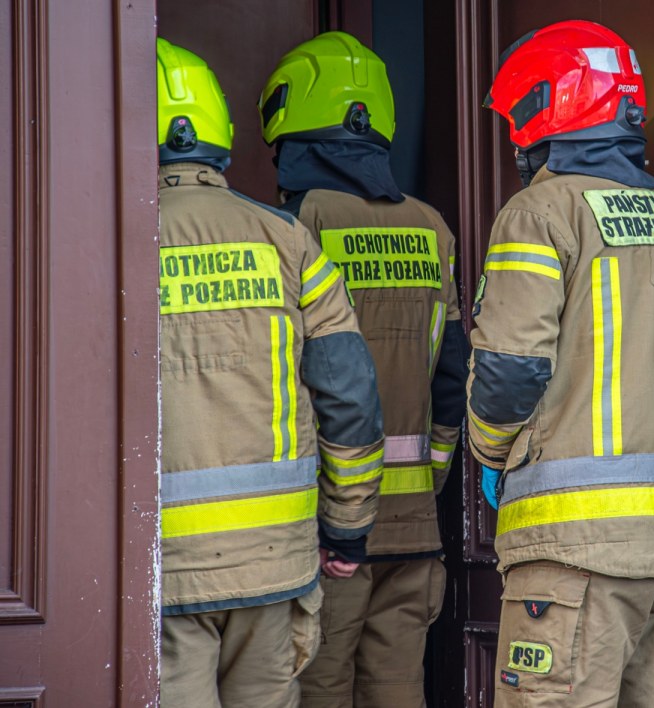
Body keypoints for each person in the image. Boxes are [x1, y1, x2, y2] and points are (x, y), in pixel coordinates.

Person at [468, 20, 654, 707]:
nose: (513, 140)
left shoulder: (540, 212)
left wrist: (492, 454)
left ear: (542, 109)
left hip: (576, 551)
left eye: (515, 120)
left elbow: (509, 369)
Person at [156, 38, 385, 708]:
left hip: (165, 576)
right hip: (277, 565)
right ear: (222, 135)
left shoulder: (109, 249)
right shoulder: (288, 240)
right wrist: (347, 528)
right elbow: (349, 393)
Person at [258, 31, 469, 708]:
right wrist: (425, 482)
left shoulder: (294, 226)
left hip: (326, 536)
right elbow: (453, 375)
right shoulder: (432, 227)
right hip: (415, 535)